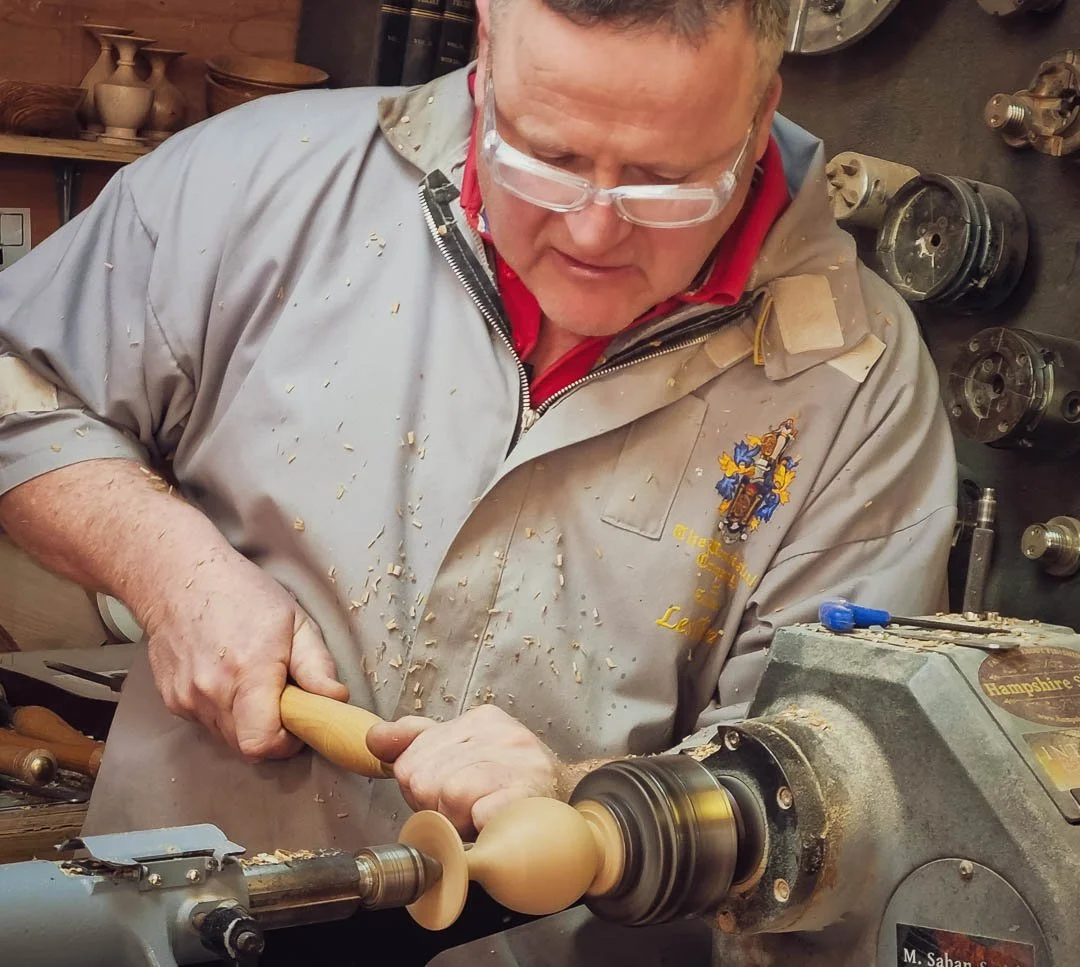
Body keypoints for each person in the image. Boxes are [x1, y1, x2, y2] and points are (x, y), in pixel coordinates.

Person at [0, 0, 955, 854]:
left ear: (760, 108)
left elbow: (836, 781)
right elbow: (18, 389)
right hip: (172, 914)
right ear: (488, 43)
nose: (592, 232)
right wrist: (171, 571)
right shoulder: (256, 182)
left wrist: (588, 806)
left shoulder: (859, 381)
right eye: (547, 158)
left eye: (665, 182)